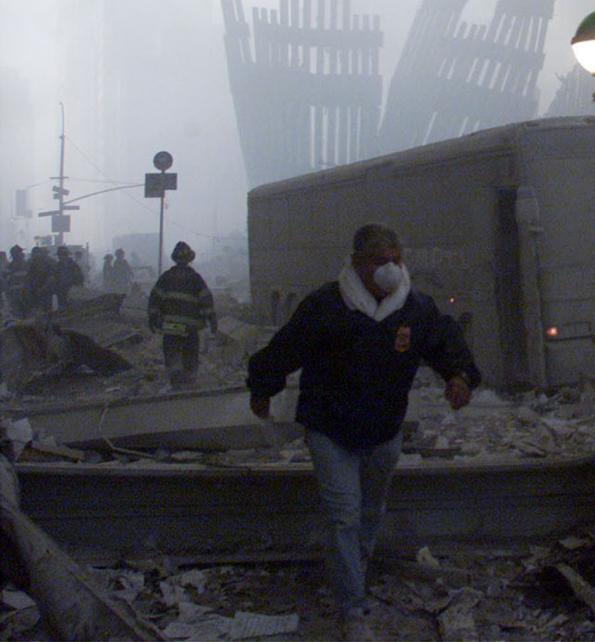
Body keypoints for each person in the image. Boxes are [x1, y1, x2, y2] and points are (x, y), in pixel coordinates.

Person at [246, 224, 480, 640]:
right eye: (378, 261)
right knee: (344, 516)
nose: (389, 269)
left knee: (370, 513)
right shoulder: (326, 306)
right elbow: (286, 349)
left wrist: (459, 376)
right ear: (357, 263)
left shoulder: (415, 309)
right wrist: (263, 388)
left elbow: (446, 343)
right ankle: (353, 609)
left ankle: (352, 569)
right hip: (330, 428)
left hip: (384, 430)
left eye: (395, 259)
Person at [147, 242, 217, 388]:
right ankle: (189, 377)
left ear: (175, 259)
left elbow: (155, 299)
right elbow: (206, 299)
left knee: (172, 348)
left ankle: (175, 375)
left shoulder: (166, 277)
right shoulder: (195, 278)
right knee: (190, 351)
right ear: (189, 259)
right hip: (190, 326)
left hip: (172, 325)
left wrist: (153, 318)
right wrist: (212, 319)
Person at [23, 246, 55, 316]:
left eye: (38, 253)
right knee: (35, 309)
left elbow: (51, 277)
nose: (36, 255)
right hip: (34, 290)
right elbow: (27, 277)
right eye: (35, 253)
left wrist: (43, 288)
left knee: (46, 309)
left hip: (45, 290)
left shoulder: (48, 263)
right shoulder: (29, 263)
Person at [53, 245, 85, 309]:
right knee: (62, 308)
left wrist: (77, 288)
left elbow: (80, 278)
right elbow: (55, 278)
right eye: (59, 255)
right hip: (61, 291)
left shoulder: (73, 265)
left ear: (66, 255)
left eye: (62, 255)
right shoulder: (58, 266)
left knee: (71, 308)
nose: (60, 257)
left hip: (72, 291)